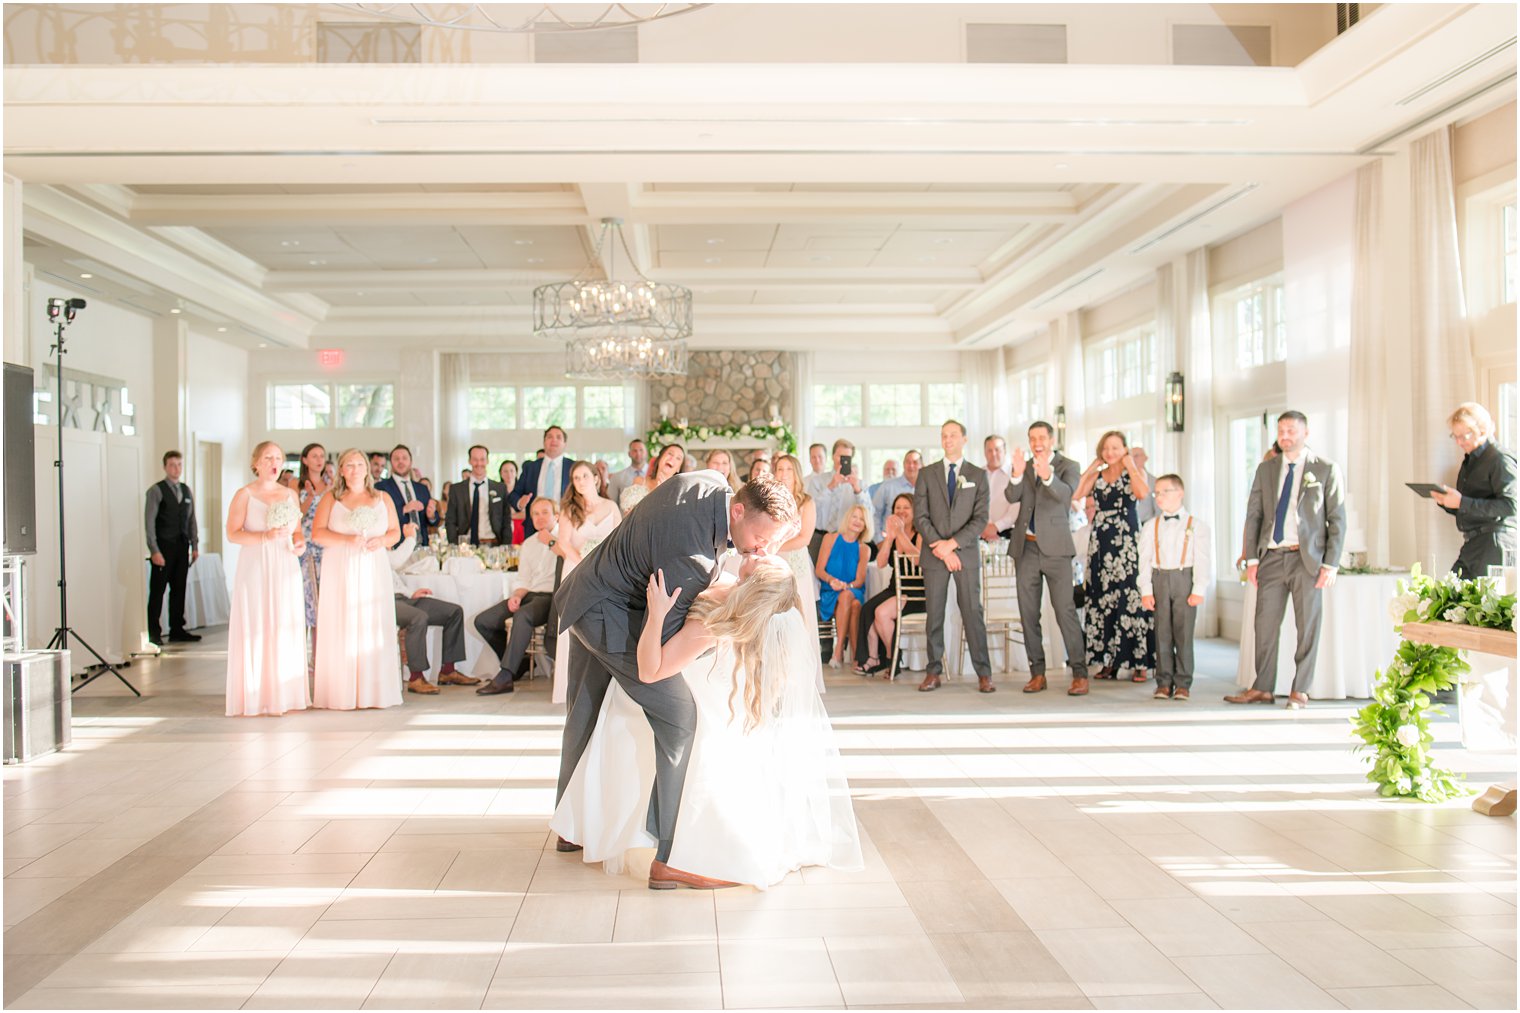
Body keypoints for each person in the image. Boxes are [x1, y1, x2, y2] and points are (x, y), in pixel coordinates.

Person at [551, 556, 861, 889]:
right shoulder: (731, 591)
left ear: (752, 583)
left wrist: (656, 615)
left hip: (675, 690)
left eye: (763, 558)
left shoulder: (713, 620)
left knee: (645, 717)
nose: (761, 550)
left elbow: (651, 670)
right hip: (702, 693)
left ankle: (675, 852)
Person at [552, 473, 797, 889]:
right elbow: (658, 663)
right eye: (760, 537)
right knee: (681, 718)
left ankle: (570, 827)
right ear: (738, 510)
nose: (762, 547)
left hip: (585, 593)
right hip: (608, 617)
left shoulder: (710, 483)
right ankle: (670, 856)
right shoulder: (692, 560)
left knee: (585, 710)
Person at [1226, 411, 1346, 710]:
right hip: (1271, 558)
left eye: (1291, 430)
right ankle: (1262, 687)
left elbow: (1337, 519)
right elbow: (1253, 514)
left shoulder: (1326, 469)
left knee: (1308, 626)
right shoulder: (1266, 468)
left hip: (1307, 559)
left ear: (1306, 433)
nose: (1285, 435)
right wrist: (1251, 559)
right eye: (1281, 430)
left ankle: (1300, 690)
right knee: (1263, 625)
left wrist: (1330, 564)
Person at [311, 448, 403, 710]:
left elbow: (395, 532)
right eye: (349, 465)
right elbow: (317, 534)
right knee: (344, 623)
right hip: (340, 567)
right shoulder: (332, 498)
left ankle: (374, 690)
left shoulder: (382, 498)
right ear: (341, 470)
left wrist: (382, 540)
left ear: (367, 469)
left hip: (373, 567)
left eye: (359, 464)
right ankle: (342, 691)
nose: (355, 469)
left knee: (371, 623)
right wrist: (347, 540)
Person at [224, 441, 309, 717]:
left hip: (284, 563)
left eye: (278, 458)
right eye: (268, 457)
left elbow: (297, 532)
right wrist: (263, 537)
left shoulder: (290, 495)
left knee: (283, 622)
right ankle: (254, 693)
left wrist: (300, 544)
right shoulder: (244, 494)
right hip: (256, 564)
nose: (274, 462)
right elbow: (233, 533)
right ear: (256, 463)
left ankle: (284, 693)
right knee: (257, 621)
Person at [1004, 421, 1089, 695]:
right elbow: (1010, 495)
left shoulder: (1069, 466)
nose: (1036, 442)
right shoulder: (1025, 466)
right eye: (1032, 438)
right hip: (1026, 549)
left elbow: (1067, 496)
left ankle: (1079, 673)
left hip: (1056, 550)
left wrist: (1048, 475)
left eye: (1041, 437)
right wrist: (1017, 474)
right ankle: (1037, 673)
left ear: (1051, 439)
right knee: (1028, 614)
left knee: (1065, 611)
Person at [913, 421, 993, 693]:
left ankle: (984, 673)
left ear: (964, 439)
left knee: (973, 612)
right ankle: (933, 671)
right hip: (935, 555)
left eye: (953, 435)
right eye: (944, 435)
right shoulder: (926, 473)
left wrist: (954, 544)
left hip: (965, 554)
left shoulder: (978, 475)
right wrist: (940, 546)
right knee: (934, 615)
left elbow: (980, 518)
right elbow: (920, 516)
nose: (948, 440)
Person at [1073, 431, 1154, 682]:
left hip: (1127, 542)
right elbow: (1076, 495)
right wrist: (1090, 468)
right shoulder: (1097, 475)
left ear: (1125, 449)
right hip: (1101, 542)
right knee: (1101, 600)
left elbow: (1143, 494)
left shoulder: (1132, 474)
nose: (1110, 452)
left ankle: (1139, 661)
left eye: (1116, 448)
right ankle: (1109, 661)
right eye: (1106, 448)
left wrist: (1130, 465)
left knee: (1130, 599)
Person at [550, 461, 623, 703]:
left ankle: (606, 684)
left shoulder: (611, 506)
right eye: (575, 478)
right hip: (577, 569)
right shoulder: (570, 508)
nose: (580, 481)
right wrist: (584, 562)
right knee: (575, 626)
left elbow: (619, 540)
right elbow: (563, 543)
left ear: (596, 478)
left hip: (605, 573)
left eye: (584, 476)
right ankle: (569, 687)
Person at [475, 497, 562, 696]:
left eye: (545, 512)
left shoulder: (563, 538)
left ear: (556, 516)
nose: (539, 518)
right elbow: (524, 578)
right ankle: (518, 661)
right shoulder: (529, 543)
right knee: (484, 621)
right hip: (529, 594)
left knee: (522, 616)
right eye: (535, 514)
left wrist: (550, 540)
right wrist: (517, 595)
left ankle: (506, 676)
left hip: (550, 596)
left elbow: (568, 557)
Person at [1138, 475, 1212, 701]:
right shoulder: (1151, 526)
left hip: (1184, 578)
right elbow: (1144, 559)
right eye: (1157, 493)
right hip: (1160, 578)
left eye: (1165, 492)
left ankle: (1183, 683)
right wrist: (1146, 590)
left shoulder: (1197, 525)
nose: (1159, 497)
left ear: (1180, 493)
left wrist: (1199, 588)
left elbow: (1203, 559)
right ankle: (1163, 681)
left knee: (1183, 632)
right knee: (1162, 632)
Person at [388, 522, 476, 695]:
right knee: (418, 618)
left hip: (403, 597)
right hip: (385, 602)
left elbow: (395, 579)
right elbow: (396, 562)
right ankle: (416, 678)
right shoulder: (373, 549)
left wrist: (411, 593)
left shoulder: (386, 549)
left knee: (454, 612)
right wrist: (410, 538)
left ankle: (448, 671)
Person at [1430, 402, 1516, 578]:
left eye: (1464, 435)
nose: (1459, 442)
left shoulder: (1499, 459)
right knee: (1450, 598)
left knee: (1477, 601)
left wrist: (1461, 502)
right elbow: (1475, 506)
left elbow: (1511, 506)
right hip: (1474, 543)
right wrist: (1449, 503)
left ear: (1483, 430)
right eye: (1455, 436)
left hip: (1494, 543)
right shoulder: (1472, 460)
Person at [855, 492, 924, 675]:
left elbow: (918, 560)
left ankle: (891, 658)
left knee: (882, 613)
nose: (901, 511)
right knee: (867, 609)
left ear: (914, 511)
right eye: (897, 508)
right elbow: (881, 562)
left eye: (906, 508)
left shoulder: (920, 534)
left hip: (916, 591)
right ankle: (873, 657)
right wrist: (890, 537)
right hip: (895, 588)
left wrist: (900, 534)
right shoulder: (894, 535)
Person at [771, 454, 823, 686]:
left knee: (800, 620)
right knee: (775, 619)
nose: (783, 474)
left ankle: (801, 677)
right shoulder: (769, 498)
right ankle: (777, 675)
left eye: (788, 469)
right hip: (772, 565)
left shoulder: (806, 501)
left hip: (797, 565)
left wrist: (774, 547)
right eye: (780, 469)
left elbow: (805, 537)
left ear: (796, 473)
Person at [144, 449, 201, 646]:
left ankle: (177, 628)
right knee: (158, 591)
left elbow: (191, 519)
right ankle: (154, 632)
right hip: (163, 546)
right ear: (165, 467)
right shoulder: (156, 490)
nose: (176, 469)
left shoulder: (186, 490)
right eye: (172, 465)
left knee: (179, 589)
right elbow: (149, 522)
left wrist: (194, 545)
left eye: (179, 465)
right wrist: (154, 550)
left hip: (182, 545)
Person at [816, 504, 870, 669]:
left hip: (852, 590)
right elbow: (819, 569)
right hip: (830, 589)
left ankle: (838, 651)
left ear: (865, 526)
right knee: (854, 606)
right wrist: (832, 581)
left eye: (862, 519)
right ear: (848, 518)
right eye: (855, 516)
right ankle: (856, 656)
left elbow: (860, 580)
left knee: (848, 597)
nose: (857, 521)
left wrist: (847, 586)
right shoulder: (830, 539)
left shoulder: (864, 549)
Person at [808, 439, 873, 564]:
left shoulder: (860, 484)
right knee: (815, 578)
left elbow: (868, 513)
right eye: (839, 456)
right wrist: (830, 486)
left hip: (847, 539)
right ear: (833, 456)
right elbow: (811, 509)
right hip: (819, 538)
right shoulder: (817, 481)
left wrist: (857, 490)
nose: (842, 460)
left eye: (846, 457)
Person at [512, 425, 575, 538]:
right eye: (549, 437)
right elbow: (514, 495)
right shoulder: (530, 467)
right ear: (544, 441)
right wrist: (520, 503)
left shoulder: (573, 467)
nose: (554, 440)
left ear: (565, 443)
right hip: (534, 528)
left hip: (565, 526)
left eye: (558, 437)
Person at [445, 445, 509, 546]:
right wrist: (454, 545)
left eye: (482, 459)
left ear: (487, 461)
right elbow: (450, 520)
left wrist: (506, 546)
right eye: (475, 459)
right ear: (469, 461)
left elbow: (506, 520)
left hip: (493, 544)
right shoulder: (456, 489)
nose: (479, 463)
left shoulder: (500, 488)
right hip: (465, 546)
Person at [296, 443, 329, 637]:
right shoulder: (295, 485)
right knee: (304, 601)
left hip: (324, 549)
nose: (319, 460)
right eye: (314, 456)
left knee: (322, 605)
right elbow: (295, 515)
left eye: (322, 456)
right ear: (305, 460)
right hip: (304, 548)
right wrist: (309, 496)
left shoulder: (330, 486)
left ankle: (318, 659)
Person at [376, 444, 434, 548]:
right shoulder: (381, 488)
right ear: (391, 463)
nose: (401, 462)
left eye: (404, 458)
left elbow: (434, 520)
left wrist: (432, 516)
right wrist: (404, 509)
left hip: (423, 545)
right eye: (396, 459)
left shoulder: (422, 488)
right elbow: (379, 517)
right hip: (397, 546)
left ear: (410, 462)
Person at [620, 443, 685, 515]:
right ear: (660, 458)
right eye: (670, 454)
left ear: (678, 468)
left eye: (678, 458)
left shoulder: (677, 493)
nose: (672, 459)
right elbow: (628, 515)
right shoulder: (640, 481)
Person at [871, 451, 917, 534]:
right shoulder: (888, 486)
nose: (911, 466)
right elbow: (874, 513)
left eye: (915, 462)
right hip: (890, 539)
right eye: (908, 462)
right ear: (903, 465)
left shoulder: (927, 488)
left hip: (918, 540)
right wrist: (879, 540)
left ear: (922, 465)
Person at [982, 436, 1018, 541]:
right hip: (980, 533)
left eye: (997, 450)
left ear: (1005, 451)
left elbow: (1016, 508)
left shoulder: (1015, 474)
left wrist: (996, 527)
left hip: (1007, 534)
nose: (993, 454)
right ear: (984, 452)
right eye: (989, 450)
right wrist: (982, 527)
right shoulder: (978, 475)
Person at [607, 439, 649, 507]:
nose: (638, 453)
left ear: (646, 452)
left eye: (641, 450)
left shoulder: (656, 475)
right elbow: (611, 504)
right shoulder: (617, 477)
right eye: (634, 450)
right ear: (629, 454)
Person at [1130, 447, 1160, 526]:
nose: (1133, 459)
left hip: (1147, 525)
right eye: (1130, 457)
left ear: (1145, 458)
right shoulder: (1124, 480)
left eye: (1136, 456)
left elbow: (1158, 509)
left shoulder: (1154, 481)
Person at [497, 459, 524, 544]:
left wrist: (507, 516)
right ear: (501, 474)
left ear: (516, 473)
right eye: (505, 471)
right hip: (502, 528)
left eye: (512, 471)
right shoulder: (496, 490)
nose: (509, 474)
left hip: (520, 527)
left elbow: (526, 514)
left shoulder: (523, 490)